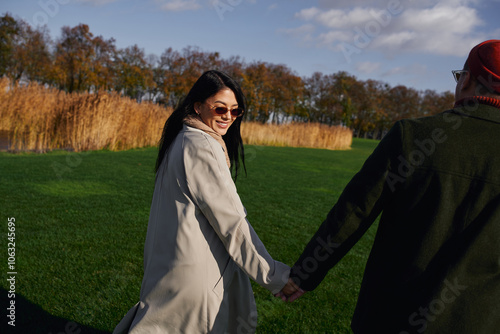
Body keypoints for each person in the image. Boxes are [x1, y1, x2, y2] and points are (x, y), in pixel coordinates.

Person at [278, 39, 500, 333]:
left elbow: (353, 211)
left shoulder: (412, 136)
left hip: (390, 315)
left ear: (468, 80)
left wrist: (305, 274)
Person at [113, 70, 289, 334]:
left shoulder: (183, 139)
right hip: (197, 276)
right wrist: (275, 276)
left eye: (235, 111)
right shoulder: (201, 145)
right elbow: (231, 223)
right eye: (220, 109)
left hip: (175, 266)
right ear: (197, 106)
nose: (228, 117)